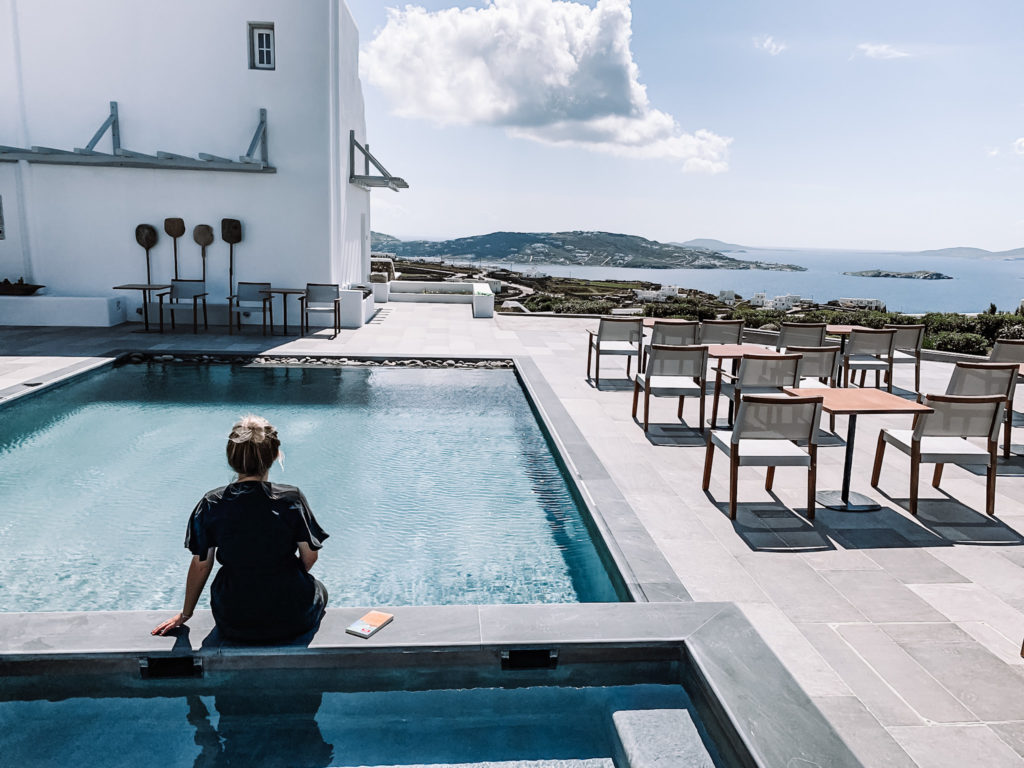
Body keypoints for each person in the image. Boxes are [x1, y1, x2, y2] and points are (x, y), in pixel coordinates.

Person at [152, 415, 329, 642]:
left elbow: (201, 565)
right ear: (275, 455)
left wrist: (185, 614)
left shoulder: (211, 503)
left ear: (231, 458)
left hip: (234, 619)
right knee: (319, 589)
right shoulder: (290, 499)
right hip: (292, 616)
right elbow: (310, 557)